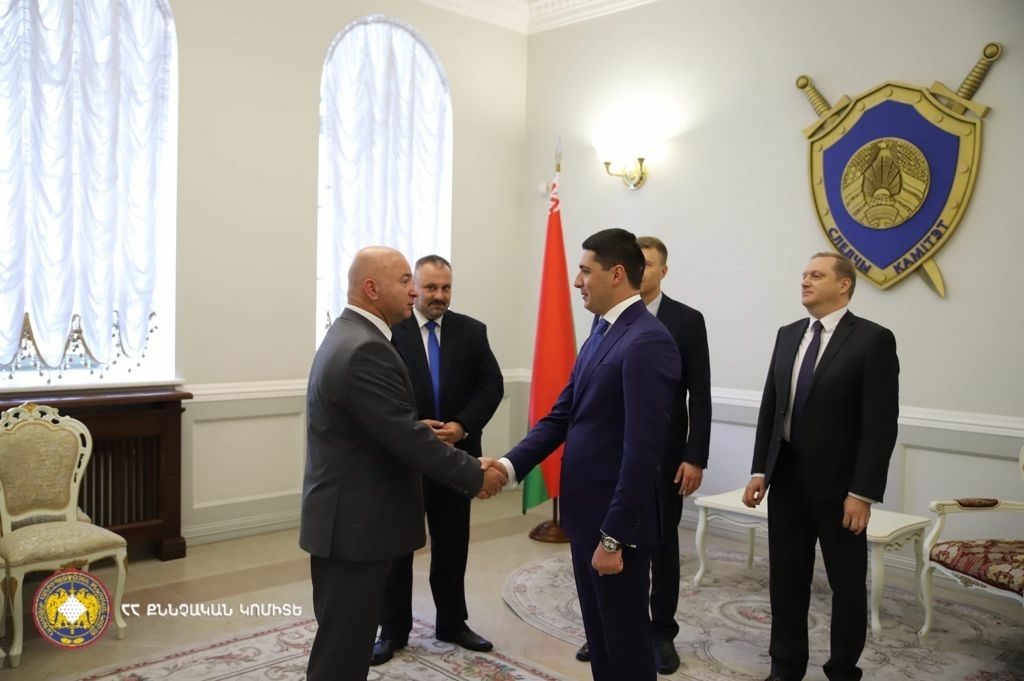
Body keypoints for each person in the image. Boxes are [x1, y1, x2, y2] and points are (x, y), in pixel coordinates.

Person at [299, 246, 507, 681]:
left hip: (349, 521)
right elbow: (406, 438)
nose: (414, 291)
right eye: (405, 281)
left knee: (345, 643)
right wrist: (475, 473)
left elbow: (385, 427)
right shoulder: (365, 347)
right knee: (342, 652)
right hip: (354, 527)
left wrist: (419, 429)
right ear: (372, 288)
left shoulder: (352, 334)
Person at [498, 228, 681, 681]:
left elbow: (642, 453)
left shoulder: (647, 340)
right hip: (587, 517)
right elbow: (564, 415)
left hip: (615, 525)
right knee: (601, 640)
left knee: (626, 645)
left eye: (585, 270)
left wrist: (613, 537)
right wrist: (506, 467)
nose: (577, 281)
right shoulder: (603, 331)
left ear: (616, 274)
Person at [742, 252, 899, 681]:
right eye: (804, 275)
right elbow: (771, 408)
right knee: (786, 580)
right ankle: (785, 667)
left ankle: (842, 669)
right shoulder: (787, 334)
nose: (805, 281)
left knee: (846, 586)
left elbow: (880, 426)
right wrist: (760, 471)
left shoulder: (872, 340)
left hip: (841, 490)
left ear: (843, 284)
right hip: (787, 480)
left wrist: (862, 493)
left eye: (816, 275)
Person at [576, 236, 712, 675]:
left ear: (660, 271)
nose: (644, 269)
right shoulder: (602, 321)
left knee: (660, 545)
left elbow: (700, 394)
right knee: (614, 568)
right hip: (612, 462)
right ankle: (610, 630)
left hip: (664, 458)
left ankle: (661, 632)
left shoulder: (683, 321)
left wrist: (695, 456)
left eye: (650, 264)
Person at [371, 255, 504, 664]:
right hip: (405, 461)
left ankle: (452, 622)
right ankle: (392, 630)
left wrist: (462, 426)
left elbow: (492, 385)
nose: (439, 296)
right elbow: (380, 392)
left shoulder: (472, 331)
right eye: (431, 288)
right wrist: (412, 428)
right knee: (397, 549)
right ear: (415, 287)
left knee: (452, 544)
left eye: (446, 288)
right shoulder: (391, 331)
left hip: (455, 459)